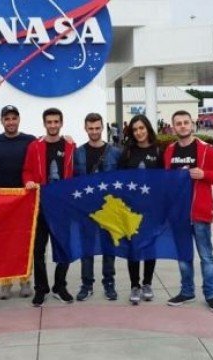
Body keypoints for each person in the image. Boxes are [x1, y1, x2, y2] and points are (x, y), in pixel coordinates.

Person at [164, 110, 213, 313]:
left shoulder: (206, 149)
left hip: (199, 212)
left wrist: (204, 174)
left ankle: (211, 294)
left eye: (185, 122)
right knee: (183, 256)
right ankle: (187, 291)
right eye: (178, 123)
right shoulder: (169, 150)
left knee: (206, 256)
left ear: (192, 125)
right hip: (178, 214)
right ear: (173, 127)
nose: (182, 126)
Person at [23, 107, 75, 307]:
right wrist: (28, 181)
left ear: (61, 123)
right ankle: (41, 288)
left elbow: (76, 174)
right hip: (40, 205)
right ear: (44, 124)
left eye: (56, 122)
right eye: (49, 122)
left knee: (64, 247)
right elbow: (27, 171)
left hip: (62, 207)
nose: (53, 125)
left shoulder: (70, 146)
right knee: (38, 250)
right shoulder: (34, 146)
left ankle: (59, 286)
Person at [0, 105, 36, 300]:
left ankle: (25, 281)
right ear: (1, 121)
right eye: (7, 118)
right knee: (4, 242)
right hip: (2, 198)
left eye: (14, 118)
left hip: (24, 198)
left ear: (19, 120)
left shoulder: (29, 140)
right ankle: (5, 282)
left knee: (25, 242)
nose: (11, 122)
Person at [73, 113, 121, 301]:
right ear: (85, 128)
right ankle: (87, 284)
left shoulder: (115, 152)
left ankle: (109, 283)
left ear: (103, 128)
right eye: (90, 128)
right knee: (87, 248)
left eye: (97, 128)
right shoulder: (78, 153)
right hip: (86, 209)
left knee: (109, 247)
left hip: (109, 208)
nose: (94, 131)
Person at [118, 114, 163, 305]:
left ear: (148, 128)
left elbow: (167, 179)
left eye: (141, 128)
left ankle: (147, 283)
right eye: (135, 129)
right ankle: (134, 286)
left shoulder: (160, 150)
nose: (139, 132)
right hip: (131, 210)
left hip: (153, 209)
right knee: (134, 247)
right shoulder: (127, 152)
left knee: (150, 246)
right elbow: (119, 180)